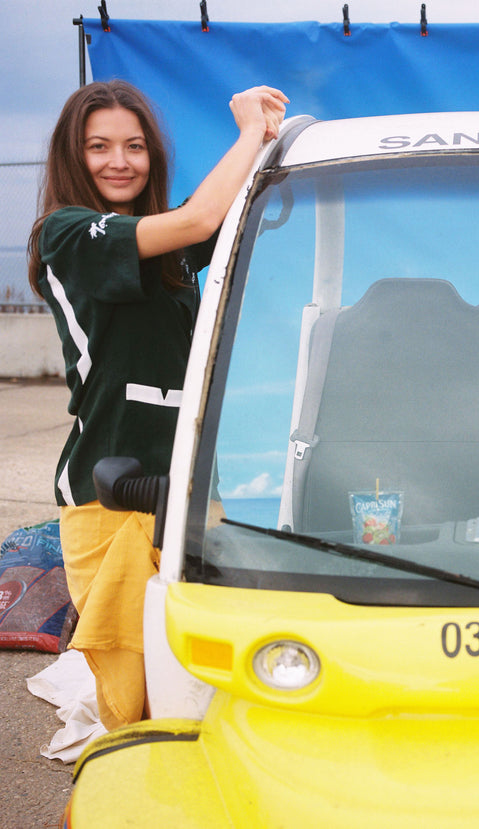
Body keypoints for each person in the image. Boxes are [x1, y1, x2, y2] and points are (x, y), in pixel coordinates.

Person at [27, 80, 288, 730]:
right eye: (99, 146)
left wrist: (273, 137)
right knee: (134, 693)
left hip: (195, 493)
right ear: (71, 156)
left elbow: (222, 214)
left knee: (203, 682)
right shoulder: (64, 235)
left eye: (134, 146)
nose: (119, 160)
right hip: (108, 496)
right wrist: (247, 128)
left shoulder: (163, 248)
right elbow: (201, 218)